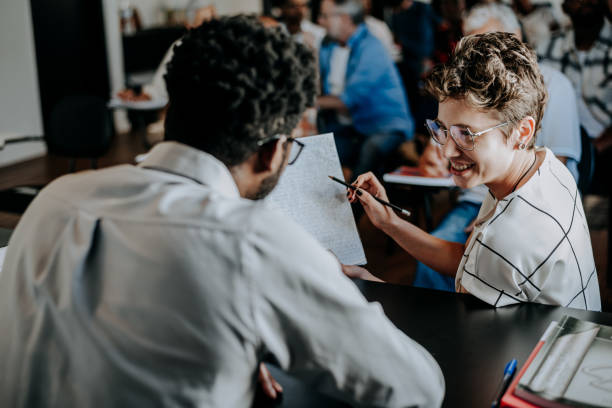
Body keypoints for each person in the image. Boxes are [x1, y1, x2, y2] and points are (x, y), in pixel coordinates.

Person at [0, 16, 444, 408]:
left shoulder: (56, 200)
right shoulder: (253, 242)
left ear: (174, 110)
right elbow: (416, 387)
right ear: (273, 152)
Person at [345, 32, 601, 311]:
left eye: (466, 134)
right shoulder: (542, 166)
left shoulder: (508, 235)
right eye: (441, 130)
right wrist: (389, 222)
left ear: (522, 131)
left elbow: (460, 335)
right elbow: (469, 259)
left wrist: (369, 286)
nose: (446, 152)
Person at [413, 3, 583, 291]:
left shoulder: (555, 88)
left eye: (488, 47)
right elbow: (441, 150)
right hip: (478, 199)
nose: (476, 63)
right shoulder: (533, 166)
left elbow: (564, 162)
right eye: (470, 49)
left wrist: (488, 224)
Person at [317, 0, 413, 179]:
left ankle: (360, 204)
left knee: (370, 151)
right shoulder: (327, 45)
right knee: (318, 155)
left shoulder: (371, 47)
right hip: (351, 126)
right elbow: (321, 86)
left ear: (345, 19)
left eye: (325, 16)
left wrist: (309, 103)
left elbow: (349, 99)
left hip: (385, 124)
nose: (320, 21)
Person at [537, 0, 612, 194]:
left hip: (604, 147)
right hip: (554, 143)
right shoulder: (547, 47)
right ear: (564, 7)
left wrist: (597, 147)